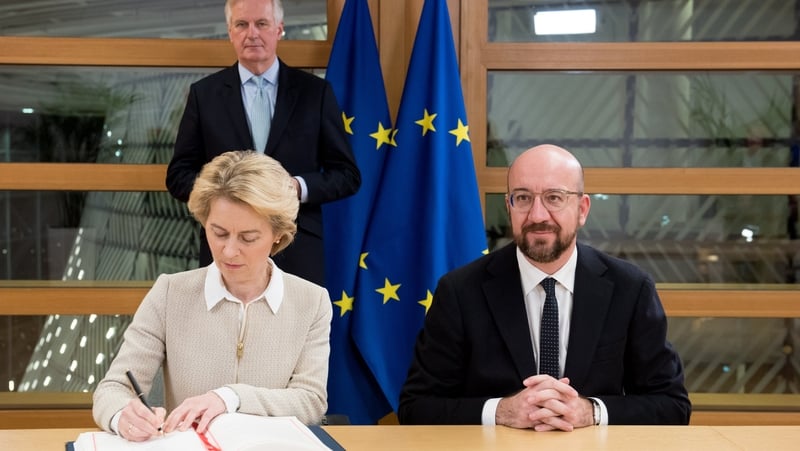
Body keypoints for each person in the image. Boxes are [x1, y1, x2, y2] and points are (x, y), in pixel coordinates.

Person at [398, 144, 691, 430]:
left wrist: (590, 412)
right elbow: (416, 407)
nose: (537, 215)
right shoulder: (460, 291)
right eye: (523, 198)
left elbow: (672, 406)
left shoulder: (630, 288)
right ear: (509, 207)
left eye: (554, 197)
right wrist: (501, 411)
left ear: (582, 208)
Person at [94, 150, 332, 441]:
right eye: (218, 233)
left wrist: (229, 398)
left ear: (278, 235)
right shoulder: (170, 293)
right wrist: (123, 416)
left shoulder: (312, 301)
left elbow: (311, 401)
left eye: (248, 238)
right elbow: (113, 389)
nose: (229, 251)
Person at [166, 0, 361, 285]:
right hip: (225, 251)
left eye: (262, 24)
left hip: (297, 247)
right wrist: (221, 195)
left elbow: (347, 175)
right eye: (242, 25)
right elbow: (178, 175)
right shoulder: (204, 95)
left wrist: (295, 188)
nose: (252, 33)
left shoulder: (315, 93)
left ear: (279, 30)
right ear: (230, 32)